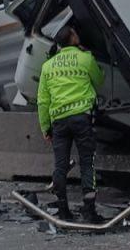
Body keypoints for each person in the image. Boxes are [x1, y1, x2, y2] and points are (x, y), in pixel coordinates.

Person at [37, 24, 104, 223]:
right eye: (75, 33)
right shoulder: (85, 58)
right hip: (82, 118)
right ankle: (89, 211)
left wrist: (45, 127)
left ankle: (63, 210)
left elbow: (42, 101)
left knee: (60, 165)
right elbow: (99, 80)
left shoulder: (47, 66)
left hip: (59, 122)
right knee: (86, 162)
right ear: (72, 38)